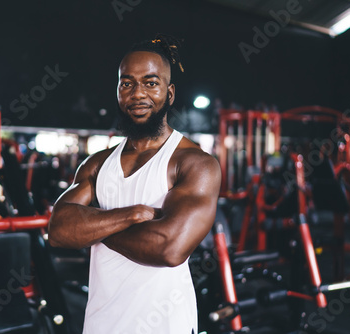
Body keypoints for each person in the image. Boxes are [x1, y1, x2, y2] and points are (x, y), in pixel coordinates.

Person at [48, 34, 221, 334]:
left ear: (170, 93)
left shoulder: (194, 163)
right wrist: (129, 215)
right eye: (126, 83)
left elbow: (168, 248)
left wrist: (92, 231)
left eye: (150, 83)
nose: (137, 93)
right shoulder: (97, 164)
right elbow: (59, 230)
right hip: (101, 325)